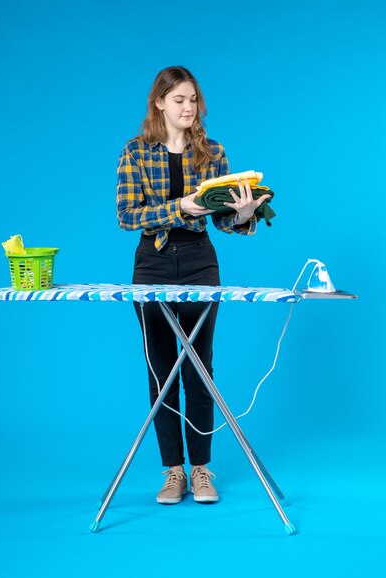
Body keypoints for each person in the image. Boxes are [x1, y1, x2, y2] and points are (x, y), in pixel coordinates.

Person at [116, 66, 270, 505]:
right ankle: (173, 472)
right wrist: (180, 206)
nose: (189, 107)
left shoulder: (213, 152)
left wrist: (243, 215)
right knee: (161, 370)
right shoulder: (135, 152)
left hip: (201, 263)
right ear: (160, 103)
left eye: (193, 99)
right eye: (179, 99)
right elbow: (127, 216)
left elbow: (223, 220)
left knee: (198, 367)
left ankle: (201, 468)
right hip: (154, 264)